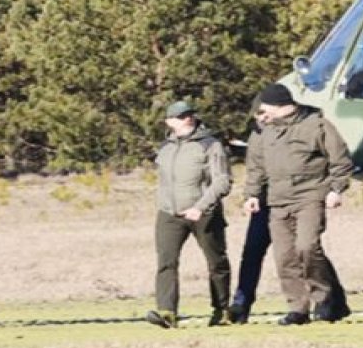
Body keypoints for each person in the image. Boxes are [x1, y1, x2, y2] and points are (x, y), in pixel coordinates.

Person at [229, 95, 350, 324]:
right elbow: (256, 166)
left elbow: (340, 159)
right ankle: (297, 308)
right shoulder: (264, 132)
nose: (262, 116)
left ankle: (325, 299)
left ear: (280, 105)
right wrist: (252, 195)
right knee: (284, 256)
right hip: (276, 201)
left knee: (307, 247)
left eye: (265, 110)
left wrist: (336, 188)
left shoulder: (317, 125)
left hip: (309, 196)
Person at [146, 100, 233, 329]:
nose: (187, 119)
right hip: (169, 214)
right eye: (180, 116)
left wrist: (200, 207)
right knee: (166, 262)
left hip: (203, 213)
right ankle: (167, 312)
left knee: (216, 262)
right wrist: (163, 204)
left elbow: (222, 181)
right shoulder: (165, 147)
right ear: (169, 121)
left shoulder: (210, 145)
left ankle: (221, 309)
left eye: (189, 114)